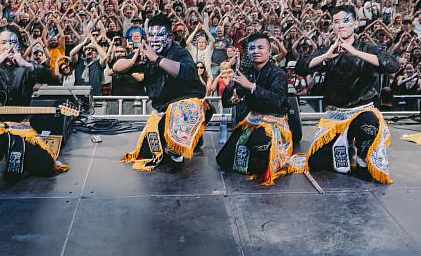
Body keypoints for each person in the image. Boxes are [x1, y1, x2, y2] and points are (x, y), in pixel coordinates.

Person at [294, 5, 399, 183]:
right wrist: (325, 57)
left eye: (345, 21)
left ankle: (362, 160)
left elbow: (392, 65)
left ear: (355, 23)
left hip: (362, 110)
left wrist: (355, 52)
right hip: (336, 114)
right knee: (317, 162)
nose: (341, 25)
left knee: (369, 124)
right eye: (336, 22)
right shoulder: (329, 49)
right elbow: (301, 67)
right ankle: (346, 145)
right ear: (333, 26)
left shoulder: (368, 48)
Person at [0, 24, 67, 197]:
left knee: (45, 166)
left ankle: (20, 157)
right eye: (4, 42)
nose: (8, 46)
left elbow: (53, 79)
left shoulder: (25, 68)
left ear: (19, 45)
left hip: (20, 126)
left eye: (13, 42)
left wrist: (26, 64)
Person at [116, 14, 212, 172]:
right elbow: (116, 68)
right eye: (151, 35)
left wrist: (157, 60)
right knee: (149, 151)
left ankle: (178, 155)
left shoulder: (179, 52)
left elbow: (187, 71)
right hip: (162, 109)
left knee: (180, 112)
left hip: (187, 106)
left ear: (170, 37)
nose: (155, 39)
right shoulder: (146, 53)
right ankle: (193, 139)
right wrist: (133, 62)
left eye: (160, 35)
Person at [216, 32, 302, 185]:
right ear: (248, 51)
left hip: (273, 123)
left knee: (259, 159)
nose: (256, 51)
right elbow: (228, 103)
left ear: (269, 51)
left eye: (260, 47)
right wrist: (231, 85)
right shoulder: (247, 73)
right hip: (252, 121)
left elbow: (277, 101)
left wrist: (251, 86)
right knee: (223, 160)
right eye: (252, 48)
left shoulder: (278, 73)